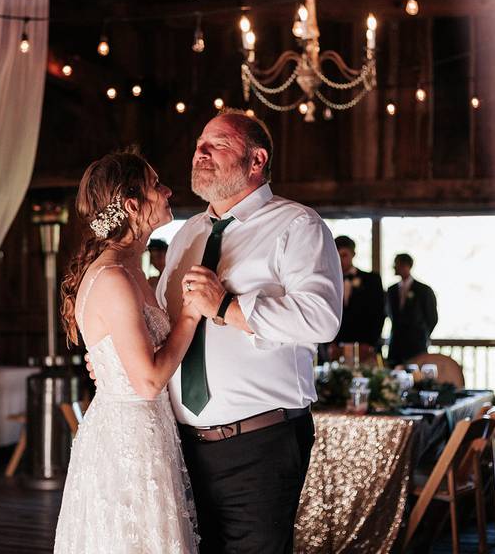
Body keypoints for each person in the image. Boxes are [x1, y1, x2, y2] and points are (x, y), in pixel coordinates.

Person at [158, 109, 342, 553]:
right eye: (199, 144)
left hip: (259, 444)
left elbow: (322, 318)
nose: (199, 152)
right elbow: (166, 321)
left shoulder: (298, 225)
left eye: (215, 144)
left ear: (255, 160)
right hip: (180, 445)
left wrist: (226, 306)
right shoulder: (188, 233)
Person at [54, 149, 203, 553]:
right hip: (129, 444)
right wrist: (190, 315)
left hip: (146, 434)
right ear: (133, 205)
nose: (169, 190)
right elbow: (149, 381)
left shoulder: (132, 270)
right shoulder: (114, 277)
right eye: (158, 184)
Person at [331, 235, 385, 363]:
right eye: (336, 255)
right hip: (336, 348)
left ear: (353, 254)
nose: (340, 260)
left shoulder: (372, 280)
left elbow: (379, 313)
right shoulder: (328, 281)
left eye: (344, 255)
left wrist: (370, 343)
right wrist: (329, 344)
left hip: (365, 347)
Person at [386, 253, 438, 365]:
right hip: (395, 345)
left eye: (397, 264)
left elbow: (432, 317)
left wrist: (422, 335)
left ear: (406, 266)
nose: (394, 267)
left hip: (416, 345)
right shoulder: (391, 290)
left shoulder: (423, 290)